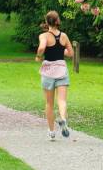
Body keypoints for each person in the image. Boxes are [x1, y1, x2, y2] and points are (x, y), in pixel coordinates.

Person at [36, 11, 73, 141]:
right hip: (61, 69)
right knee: (62, 100)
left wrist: (38, 56)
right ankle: (63, 119)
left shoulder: (44, 36)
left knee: (49, 103)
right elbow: (71, 53)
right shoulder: (64, 36)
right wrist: (61, 50)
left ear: (47, 22)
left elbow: (41, 48)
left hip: (48, 71)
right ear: (58, 21)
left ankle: (52, 132)